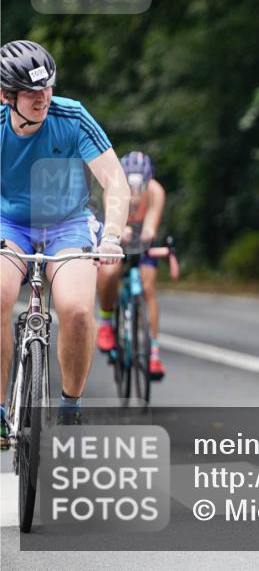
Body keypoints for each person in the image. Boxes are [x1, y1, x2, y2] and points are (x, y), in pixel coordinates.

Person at [0, 40, 128, 443]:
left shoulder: (71, 116)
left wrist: (110, 237)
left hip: (68, 224)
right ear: (6, 96)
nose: (43, 98)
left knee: (74, 310)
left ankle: (70, 408)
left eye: (47, 88)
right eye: (31, 92)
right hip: (9, 224)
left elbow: (115, 181)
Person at [95, 151, 167, 380]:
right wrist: (120, 231)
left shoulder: (155, 191)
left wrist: (146, 234)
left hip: (141, 236)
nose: (135, 194)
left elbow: (151, 225)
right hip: (118, 231)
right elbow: (113, 217)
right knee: (110, 271)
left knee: (148, 287)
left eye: (140, 187)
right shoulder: (114, 187)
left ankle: (153, 351)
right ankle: (106, 322)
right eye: (131, 186)